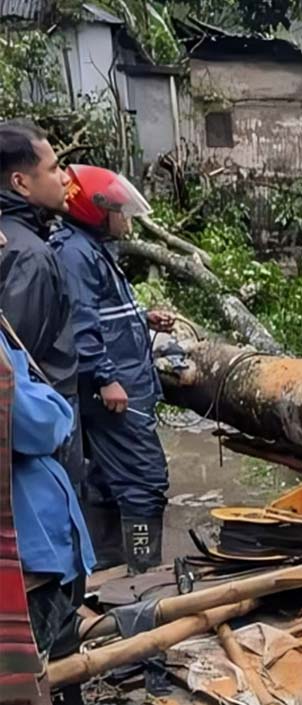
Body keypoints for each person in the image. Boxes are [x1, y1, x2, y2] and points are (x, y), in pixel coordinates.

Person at [50, 165, 174, 573]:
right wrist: (106, 378)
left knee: (105, 476)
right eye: (120, 211)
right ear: (96, 211)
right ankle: (144, 570)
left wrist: (142, 317)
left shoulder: (91, 248)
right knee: (144, 479)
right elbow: (80, 323)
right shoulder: (75, 254)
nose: (126, 220)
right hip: (116, 388)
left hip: (125, 380)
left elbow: (101, 312)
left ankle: (108, 566)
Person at [0, 220, 95, 701]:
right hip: (28, 556)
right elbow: (29, 420)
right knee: (28, 680)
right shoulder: (40, 259)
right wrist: (55, 406)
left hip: (34, 549)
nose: (2, 240)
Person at [0, 123, 83, 488]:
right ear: (20, 183)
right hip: (39, 437)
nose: (65, 178)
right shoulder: (29, 256)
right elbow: (15, 367)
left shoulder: (14, 238)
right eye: (53, 168)